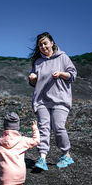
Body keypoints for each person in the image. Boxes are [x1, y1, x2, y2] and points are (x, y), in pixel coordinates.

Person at [28, 32, 77, 170]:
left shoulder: (63, 58)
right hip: (42, 100)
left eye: (45, 43)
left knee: (58, 127)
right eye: (40, 45)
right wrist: (32, 79)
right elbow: (35, 82)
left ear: (52, 43)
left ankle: (66, 155)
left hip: (60, 100)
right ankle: (42, 158)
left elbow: (73, 75)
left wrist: (61, 74)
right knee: (43, 128)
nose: (43, 46)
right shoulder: (38, 62)